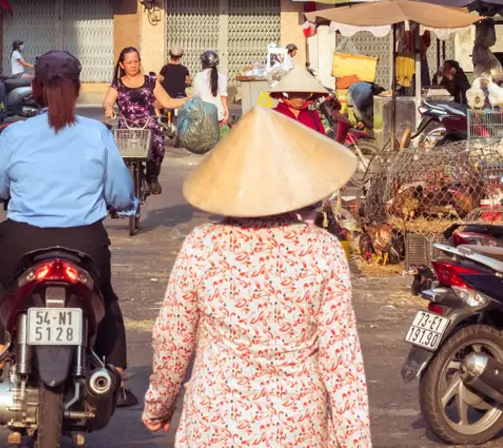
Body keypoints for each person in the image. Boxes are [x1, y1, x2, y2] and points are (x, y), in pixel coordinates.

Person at [142, 107, 370, 447]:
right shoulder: (323, 250)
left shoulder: (203, 246)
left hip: (216, 425)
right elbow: (342, 361)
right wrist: (355, 441)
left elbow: (174, 340)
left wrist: (159, 405)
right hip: (297, 429)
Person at [0, 51, 137, 399]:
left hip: (22, 243)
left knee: (6, 286)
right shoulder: (97, 134)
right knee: (104, 297)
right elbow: (121, 194)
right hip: (85, 245)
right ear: (76, 90)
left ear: (35, 89)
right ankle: (117, 377)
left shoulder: (15, 135)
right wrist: (124, 205)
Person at [102, 46, 168, 190]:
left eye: (136, 61)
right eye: (129, 62)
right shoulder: (117, 84)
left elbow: (167, 101)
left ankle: (152, 176)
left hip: (148, 125)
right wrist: (108, 108)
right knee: (116, 157)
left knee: (158, 146)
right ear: (122, 64)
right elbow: (108, 101)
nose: (133, 65)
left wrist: (186, 101)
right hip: (127, 126)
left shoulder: (150, 81)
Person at [268, 65, 333, 134]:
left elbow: (322, 139)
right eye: (298, 92)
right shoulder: (273, 114)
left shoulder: (313, 114)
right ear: (288, 92)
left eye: (306, 93)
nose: (303, 96)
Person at [191, 49, 229, 126]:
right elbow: (223, 97)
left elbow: (196, 97)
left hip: (203, 115)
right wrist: (226, 112)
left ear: (203, 64)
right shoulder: (222, 77)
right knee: (216, 137)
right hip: (218, 115)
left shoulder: (197, 77)